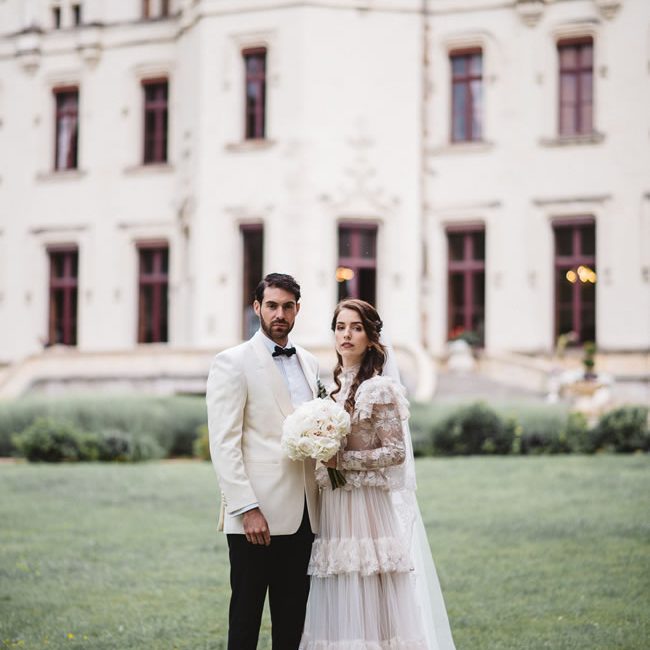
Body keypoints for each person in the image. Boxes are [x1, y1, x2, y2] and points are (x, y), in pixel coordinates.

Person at [300, 298, 456, 650]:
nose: (347, 335)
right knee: (341, 588)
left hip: (368, 510)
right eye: (340, 327)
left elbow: (396, 452)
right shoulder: (332, 391)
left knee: (367, 588)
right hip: (336, 508)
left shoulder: (379, 388)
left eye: (356, 328)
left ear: (370, 337)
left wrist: (343, 460)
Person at [206, 273, 320, 650]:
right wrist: (247, 508)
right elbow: (224, 444)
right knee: (245, 621)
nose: (280, 314)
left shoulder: (310, 362)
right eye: (272, 305)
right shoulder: (232, 362)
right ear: (257, 308)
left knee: (292, 625)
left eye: (288, 306)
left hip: (305, 516)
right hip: (257, 517)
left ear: (297, 310)